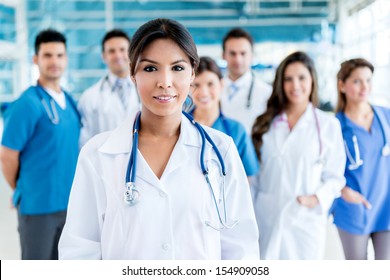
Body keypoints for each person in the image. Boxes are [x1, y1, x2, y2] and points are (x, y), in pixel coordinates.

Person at [58, 18, 259, 260]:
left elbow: (241, 249)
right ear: (133, 73)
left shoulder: (221, 150)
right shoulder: (97, 155)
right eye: (150, 68)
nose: (165, 82)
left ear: (193, 73)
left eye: (177, 68)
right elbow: (80, 250)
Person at [251, 51, 346, 259]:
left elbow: (335, 177)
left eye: (301, 78)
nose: (295, 85)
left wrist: (317, 198)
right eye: (288, 79)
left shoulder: (328, 126)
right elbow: (255, 176)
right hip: (267, 215)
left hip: (305, 220)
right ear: (280, 84)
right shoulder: (265, 124)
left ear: (312, 80)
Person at [0, 29, 80, 260]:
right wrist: (23, 187)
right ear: (36, 59)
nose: (54, 61)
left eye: (59, 55)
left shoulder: (69, 101)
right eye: (47, 55)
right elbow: (7, 155)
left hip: (69, 205)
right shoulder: (27, 103)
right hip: (38, 208)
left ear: (66, 59)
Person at [331, 58, 390, 260]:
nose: (365, 87)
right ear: (342, 85)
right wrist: (343, 190)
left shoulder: (386, 117)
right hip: (354, 208)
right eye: (357, 81)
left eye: (368, 80)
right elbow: (324, 169)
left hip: (385, 205)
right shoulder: (334, 126)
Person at [189, 56, 259, 177]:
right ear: (189, 88)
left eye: (210, 84)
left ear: (221, 85)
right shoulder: (178, 127)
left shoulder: (236, 131)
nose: (204, 92)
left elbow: (247, 178)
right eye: (196, 85)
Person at [78, 29, 140, 147]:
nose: (118, 55)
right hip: (104, 162)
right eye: (111, 51)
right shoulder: (90, 97)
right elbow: (85, 141)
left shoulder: (145, 90)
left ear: (131, 53)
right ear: (103, 56)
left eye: (122, 50)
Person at [220, 28, 272, 134]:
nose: (238, 59)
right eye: (232, 53)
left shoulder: (266, 92)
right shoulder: (213, 89)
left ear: (252, 55)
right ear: (224, 55)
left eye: (243, 53)